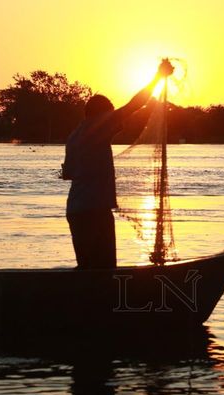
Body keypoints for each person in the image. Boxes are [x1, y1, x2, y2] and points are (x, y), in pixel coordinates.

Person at [62, 59, 174, 269]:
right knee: (105, 269)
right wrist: (158, 78)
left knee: (86, 268)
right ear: (102, 113)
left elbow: (67, 173)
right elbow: (135, 104)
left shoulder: (74, 136)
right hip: (95, 210)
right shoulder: (99, 125)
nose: (116, 122)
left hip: (76, 210)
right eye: (111, 113)